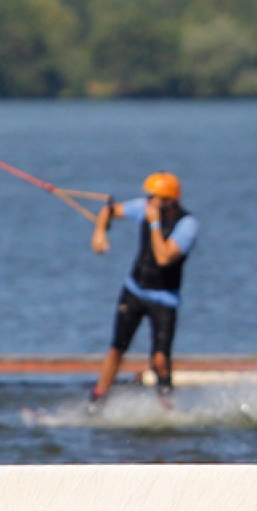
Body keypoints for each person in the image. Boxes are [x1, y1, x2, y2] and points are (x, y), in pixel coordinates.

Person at [86, 171, 200, 406]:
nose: (148, 201)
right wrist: (99, 233)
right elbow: (109, 211)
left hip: (165, 298)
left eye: (154, 198)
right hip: (135, 290)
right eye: (148, 197)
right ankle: (96, 401)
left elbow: (163, 257)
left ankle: (166, 406)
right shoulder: (144, 208)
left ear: (168, 200)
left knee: (159, 359)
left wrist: (155, 222)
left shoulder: (188, 225)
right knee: (117, 349)